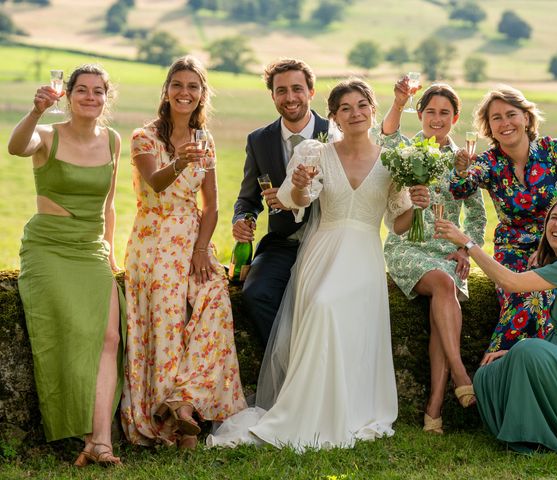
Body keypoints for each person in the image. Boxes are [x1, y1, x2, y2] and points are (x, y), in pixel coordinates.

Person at [208, 78, 429, 451]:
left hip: (364, 255)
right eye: (345, 108)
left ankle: (351, 408)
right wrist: (296, 184)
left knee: (353, 329)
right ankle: (305, 407)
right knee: (325, 306)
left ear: (373, 111)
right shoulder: (317, 152)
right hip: (324, 250)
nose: (355, 113)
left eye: (362, 105)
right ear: (334, 117)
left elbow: (399, 223)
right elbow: (296, 201)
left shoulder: (393, 161)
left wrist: (417, 206)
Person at [434, 193, 557, 453]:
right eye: (553, 218)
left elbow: (512, 283)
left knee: (527, 349)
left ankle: (529, 435)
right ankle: (532, 430)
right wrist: (510, 354)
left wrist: (467, 243)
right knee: (488, 373)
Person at [120, 55, 246, 450]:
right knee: (166, 324)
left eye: (193, 86)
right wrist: (178, 161)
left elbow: (212, 206)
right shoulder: (144, 137)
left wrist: (202, 249)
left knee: (215, 302)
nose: (185, 92)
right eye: (178, 84)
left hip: (190, 239)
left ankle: (185, 401)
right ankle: (171, 424)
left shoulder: (205, 141)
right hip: (153, 240)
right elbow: (156, 184)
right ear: (167, 90)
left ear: (201, 94)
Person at [8, 65, 125, 466]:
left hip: (90, 248)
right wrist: (36, 111)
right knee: (75, 333)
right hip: (49, 247)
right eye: (82, 90)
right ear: (69, 95)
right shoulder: (47, 134)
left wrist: (109, 250)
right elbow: (15, 147)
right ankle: (89, 438)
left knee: (109, 337)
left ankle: (101, 443)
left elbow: (109, 204)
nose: (90, 97)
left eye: (98, 91)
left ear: (106, 98)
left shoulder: (112, 140)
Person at [376, 80, 487, 433]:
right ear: (420, 114)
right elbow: (387, 137)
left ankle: (434, 409)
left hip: (446, 248)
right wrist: (398, 101)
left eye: (444, 113)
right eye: (430, 111)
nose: (436, 119)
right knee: (443, 284)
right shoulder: (406, 150)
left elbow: (478, 214)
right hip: (407, 246)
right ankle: (459, 374)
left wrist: (466, 248)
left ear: (454, 118)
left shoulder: (462, 160)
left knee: (446, 292)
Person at [450, 85, 557, 363]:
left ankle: (505, 365)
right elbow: (461, 188)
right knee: (526, 296)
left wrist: (549, 249)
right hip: (512, 250)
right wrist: (461, 169)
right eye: (495, 118)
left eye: (511, 114)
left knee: (548, 299)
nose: (504, 123)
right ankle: (501, 368)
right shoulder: (489, 162)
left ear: (526, 117)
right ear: (489, 127)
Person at [232, 58, 329, 346]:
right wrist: (242, 220)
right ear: (272, 95)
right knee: (256, 293)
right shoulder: (259, 140)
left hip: (327, 240)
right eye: (281, 90)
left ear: (311, 92)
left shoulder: (335, 132)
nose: (290, 97)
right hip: (283, 242)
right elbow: (248, 199)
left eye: (297, 89)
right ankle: (286, 369)